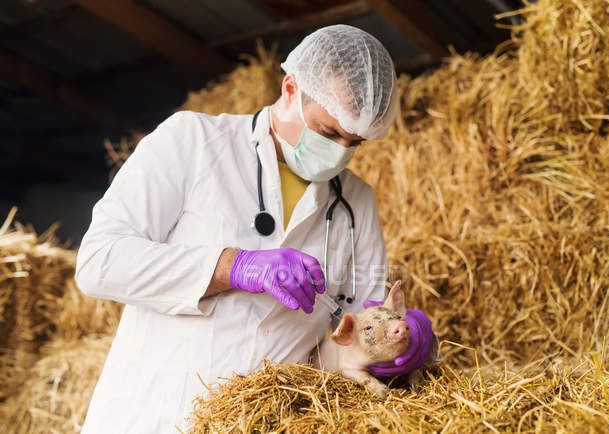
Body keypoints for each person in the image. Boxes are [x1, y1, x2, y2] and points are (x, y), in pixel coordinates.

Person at [75, 24, 434, 433]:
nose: (339, 152)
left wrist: (403, 342)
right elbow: (100, 261)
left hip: (268, 423)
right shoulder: (192, 141)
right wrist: (234, 266)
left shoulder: (357, 203)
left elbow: (359, 328)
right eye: (329, 132)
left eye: (354, 143)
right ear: (291, 89)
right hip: (158, 413)